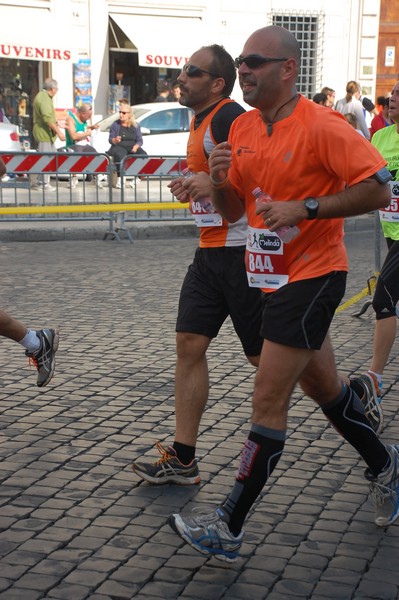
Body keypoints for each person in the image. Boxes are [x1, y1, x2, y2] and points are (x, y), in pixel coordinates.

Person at [168, 26, 395, 564]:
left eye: (254, 62)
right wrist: (221, 182)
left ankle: (228, 524)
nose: (243, 70)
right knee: (325, 389)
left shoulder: (324, 125)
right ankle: (387, 464)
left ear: (288, 69)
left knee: (268, 396)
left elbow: (379, 187)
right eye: (241, 62)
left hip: (315, 275)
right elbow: (231, 212)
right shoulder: (243, 125)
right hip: (265, 273)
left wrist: (307, 208)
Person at [131, 44, 263, 486]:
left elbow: (254, 177)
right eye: (182, 69)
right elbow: (218, 180)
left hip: (244, 252)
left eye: (192, 71)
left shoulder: (229, 116)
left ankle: (348, 404)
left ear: (217, 83)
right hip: (210, 251)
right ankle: (183, 457)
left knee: (266, 358)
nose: (181, 77)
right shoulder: (201, 119)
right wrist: (195, 185)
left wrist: (212, 182)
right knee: (188, 343)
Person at [353, 80, 399, 410]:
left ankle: (374, 382)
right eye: (392, 94)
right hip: (391, 230)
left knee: (383, 297)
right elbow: (365, 177)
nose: (392, 99)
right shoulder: (381, 137)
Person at [32, 78, 65, 191]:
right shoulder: (44, 98)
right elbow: (47, 119)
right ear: (52, 88)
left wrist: (57, 124)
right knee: (46, 157)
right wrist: (60, 133)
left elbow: (49, 118)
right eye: (57, 89)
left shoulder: (44, 97)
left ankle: (40, 180)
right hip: (43, 133)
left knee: (50, 156)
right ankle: (43, 183)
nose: (57, 91)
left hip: (46, 133)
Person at [107, 99, 147, 189]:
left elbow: (140, 140)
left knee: (143, 155)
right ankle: (121, 178)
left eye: (124, 113)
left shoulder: (135, 125)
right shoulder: (115, 125)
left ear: (129, 114)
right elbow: (110, 139)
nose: (121, 115)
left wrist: (136, 146)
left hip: (132, 146)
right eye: (120, 112)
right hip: (119, 146)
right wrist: (115, 140)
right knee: (119, 154)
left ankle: (137, 178)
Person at [64, 103, 102, 189]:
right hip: (73, 145)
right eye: (89, 116)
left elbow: (83, 127)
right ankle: (73, 178)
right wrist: (86, 134)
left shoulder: (84, 120)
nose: (89, 118)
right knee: (75, 155)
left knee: (95, 154)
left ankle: (96, 176)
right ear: (83, 113)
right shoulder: (71, 120)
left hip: (83, 144)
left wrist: (91, 127)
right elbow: (73, 136)